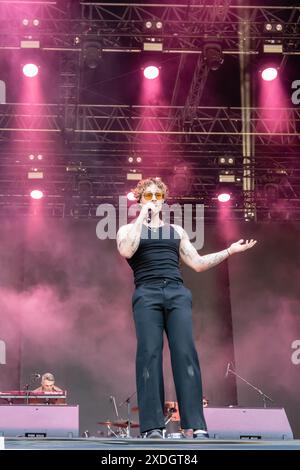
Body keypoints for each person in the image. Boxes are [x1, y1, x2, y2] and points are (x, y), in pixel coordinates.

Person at [117, 177, 256, 439]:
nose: (155, 201)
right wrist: (141, 218)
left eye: (159, 196)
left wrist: (228, 251)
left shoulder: (176, 232)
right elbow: (126, 250)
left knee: (185, 354)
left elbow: (198, 263)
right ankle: (152, 427)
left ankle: (196, 425)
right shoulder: (127, 230)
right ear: (140, 200)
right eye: (149, 196)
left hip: (177, 293)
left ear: (164, 200)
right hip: (147, 293)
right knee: (149, 355)